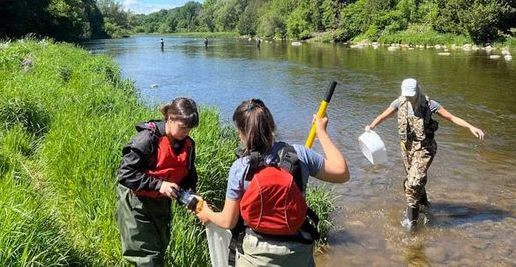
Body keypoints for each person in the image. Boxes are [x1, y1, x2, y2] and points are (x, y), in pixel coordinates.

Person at [196, 99, 349, 267]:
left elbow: (228, 222)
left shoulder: (240, 167)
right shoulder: (300, 155)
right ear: (272, 125)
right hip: (297, 253)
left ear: (241, 132)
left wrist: (207, 213)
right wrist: (321, 132)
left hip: (255, 256)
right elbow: (342, 173)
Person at [366, 78, 484, 227]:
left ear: (418, 91)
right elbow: (383, 116)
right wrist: (371, 126)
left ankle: (411, 224)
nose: (409, 98)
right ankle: (425, 207)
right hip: (407, 148)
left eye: (412, 95)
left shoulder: (430, 105)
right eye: (407, 95)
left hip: (425, 148)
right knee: (415, 179)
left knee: (413, 183)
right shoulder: (399, 102)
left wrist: (470, 127)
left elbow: (452, 117)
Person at [116, 97, 199, 266]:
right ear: (169, 118)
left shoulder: (188, 145)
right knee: (148, 258)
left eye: (190, 128)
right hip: (136, 204)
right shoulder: (147, 140)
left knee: (159, 250)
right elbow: (125, 174)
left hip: (161, 206)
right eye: (183, 127)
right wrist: (159, 185)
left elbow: (189, 175)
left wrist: (191, 195)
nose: (186, 132)